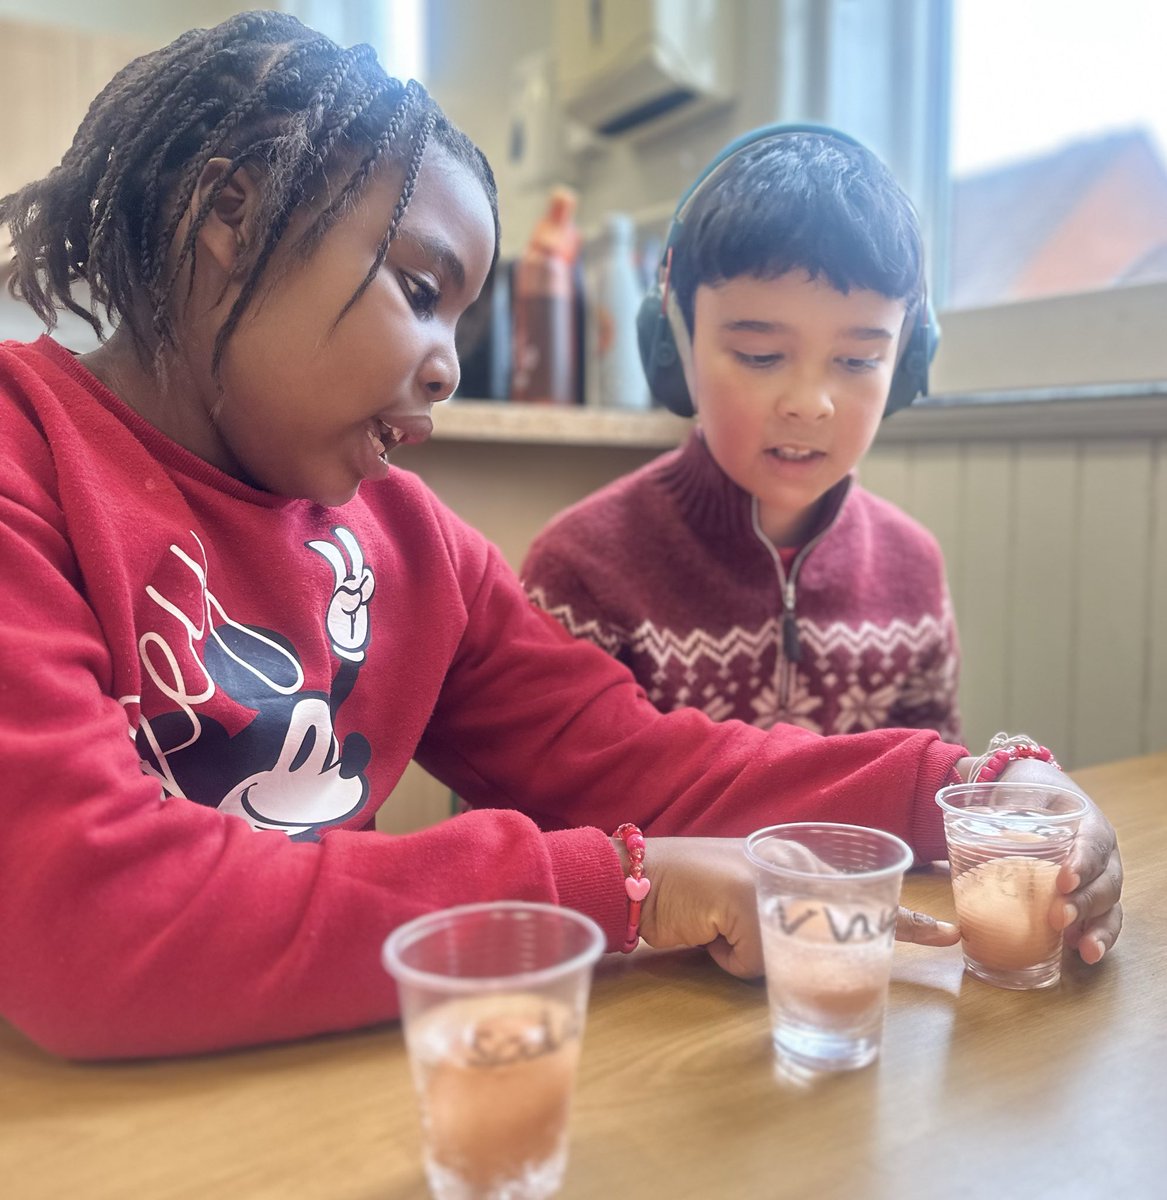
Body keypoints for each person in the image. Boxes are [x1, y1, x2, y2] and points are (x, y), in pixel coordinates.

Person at [0, 14, 1120, 1062]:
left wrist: (964, 788)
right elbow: (84, 919)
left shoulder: (411, 543)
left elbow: (643, 764)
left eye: (462, 318)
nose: (445, 363)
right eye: (421, 287)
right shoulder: (25, 459)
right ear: (229, 219)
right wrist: (625, 889)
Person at [523, 127, 962, 741]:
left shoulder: (913, 568)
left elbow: (929, 793)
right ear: (676, 344)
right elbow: (539, 811)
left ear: (908, 363)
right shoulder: (582, 572)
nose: (810, 406)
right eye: (760, 355)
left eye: (859, 361)